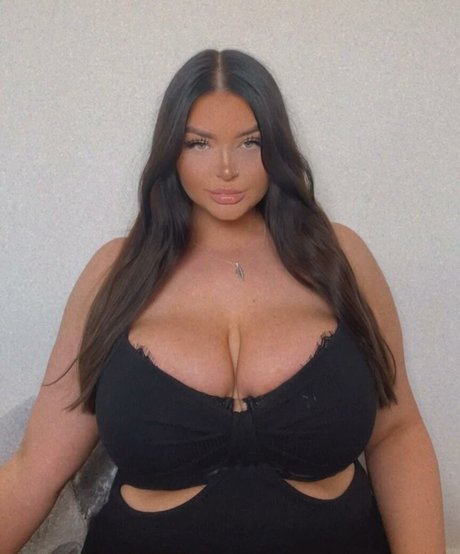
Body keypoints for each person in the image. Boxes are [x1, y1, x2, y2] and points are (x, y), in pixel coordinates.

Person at [0, 49, 445, 554]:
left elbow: (397, 432)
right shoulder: (115, 272)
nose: (227, 168)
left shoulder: (340, 258)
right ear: (171, 151)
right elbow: (34, 470)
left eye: (250, 142)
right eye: (199, 143)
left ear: (277, 146)